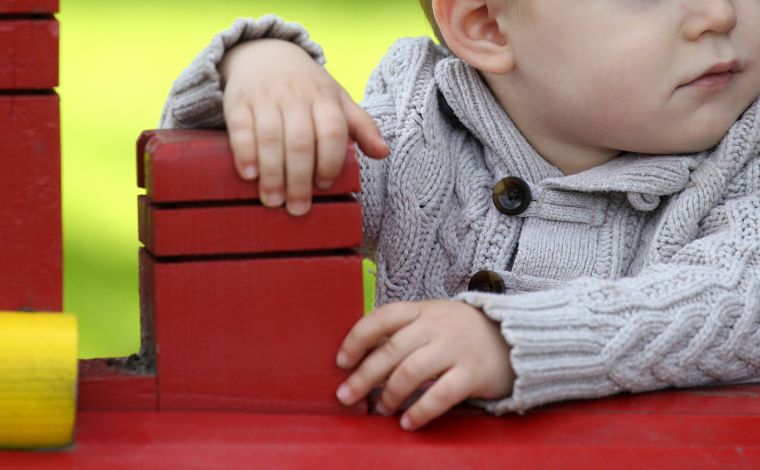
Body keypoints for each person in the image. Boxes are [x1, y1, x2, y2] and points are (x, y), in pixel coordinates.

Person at [159, 0, 760, 432]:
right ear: (487, 26)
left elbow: (736, 301)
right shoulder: (419, 126)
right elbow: (237, 206)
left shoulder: (745, 156)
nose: (719, 14)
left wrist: (515, 340)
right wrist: (261, 70)